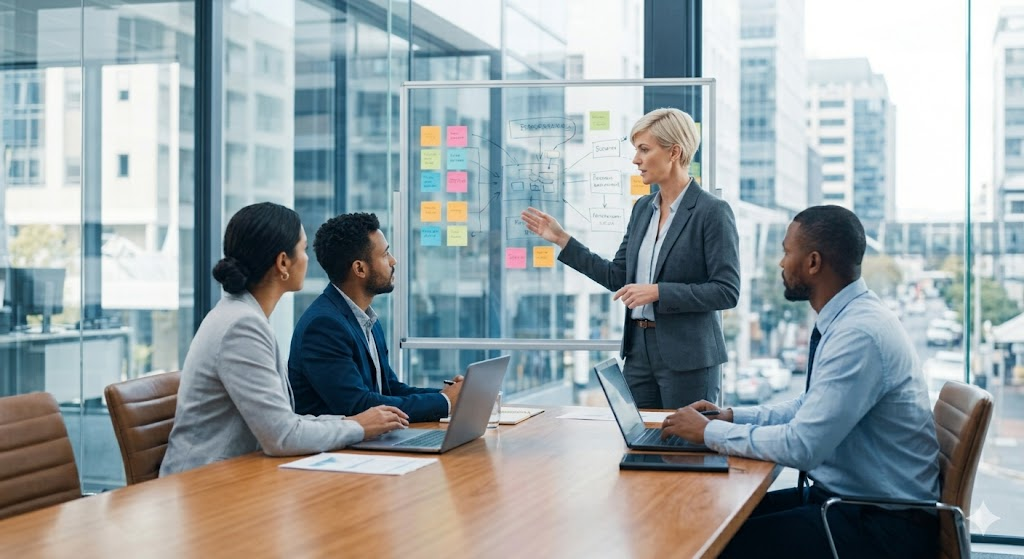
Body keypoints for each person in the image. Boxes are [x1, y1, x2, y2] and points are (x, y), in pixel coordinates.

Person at [660, 205, 940, 558]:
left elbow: (803, 446)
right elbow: (807, 407)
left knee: (714, 544)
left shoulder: (859, 334)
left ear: (813, 262)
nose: (781, 263)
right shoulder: (849, 319)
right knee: (711, 517)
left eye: (786, 252)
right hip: (852, 504)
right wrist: (730, 416)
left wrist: (707, 433)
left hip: (881, 526)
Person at [161, 203, 409, 476]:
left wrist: (356, 421)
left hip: (237, 474)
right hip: (205, 486)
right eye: (302, 249)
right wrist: (359, 426)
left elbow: (285, 422)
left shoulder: (245, 316)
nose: (307, 259)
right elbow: (282, 436)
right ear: (282, 263)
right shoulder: (241, 326)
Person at [521, 107, 740, 409]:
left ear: (674, 152)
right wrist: (562, 239)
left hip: (688, 358)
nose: (636, 159)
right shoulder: (642, 209)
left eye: (644, 149)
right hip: (638, 352)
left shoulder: (712, 212)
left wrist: (658, 292)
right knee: (637, 444)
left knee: (685, 450)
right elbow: (618, 277)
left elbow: (727, 291)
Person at [289, 212, 462, 423]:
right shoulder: (324, 326)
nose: (393, 260)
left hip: (369, 444)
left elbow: (389, 388)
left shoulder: (366, 319)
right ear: (359, 268)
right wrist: (445, 402)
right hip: (337, 451)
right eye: (385, 254)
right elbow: (358, 405)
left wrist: (449, 394)